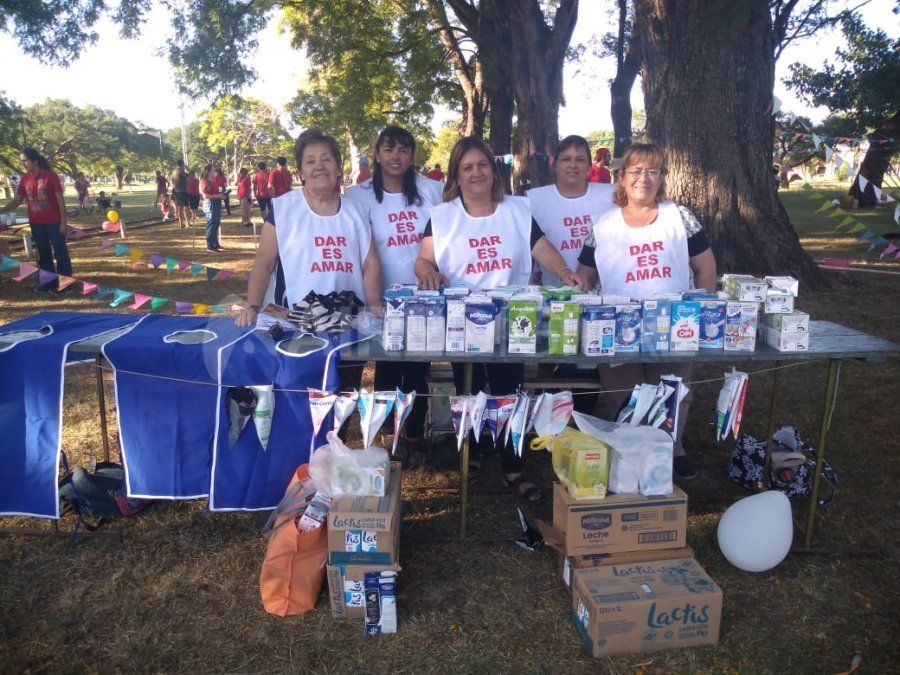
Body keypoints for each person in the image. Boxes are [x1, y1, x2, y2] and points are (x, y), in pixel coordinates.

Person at [415, 136, 586, 502]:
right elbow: (423, 259)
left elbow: (542, 249)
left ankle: (512, 463)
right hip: (463, 322)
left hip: (512, 321)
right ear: (457, 176)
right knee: (468, 389)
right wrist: (427, 271)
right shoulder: (443, 216)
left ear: (494, 171)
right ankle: (473, 453)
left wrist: (564, 271)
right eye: (467, 167)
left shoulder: (516, 210)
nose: (476, 172)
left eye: (482, 165)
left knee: (510, 392)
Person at [575, 143, 717, 480]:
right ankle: (629, 449)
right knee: (623, 395)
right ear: (621, 178)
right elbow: (584, 273)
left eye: (653, 171)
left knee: (672, 390)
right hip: (617, 327)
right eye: (636, 171)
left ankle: (672, 447)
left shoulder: (679, 217)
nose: (644, 178)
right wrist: (573, 287)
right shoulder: (604, 224)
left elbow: (706, 267)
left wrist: (700, 309)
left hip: (673, 322)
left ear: (663, 177)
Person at [345, 126, 443, 468]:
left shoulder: (432, 191)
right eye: (389, 148)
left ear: (412, 155)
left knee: (418, 370)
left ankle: (415, 432)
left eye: (403, 149)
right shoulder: (358, 197)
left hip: (424, 299)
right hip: (380, 299)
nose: (396, 155)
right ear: (377, 153)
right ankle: (390, 434)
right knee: (386, 369)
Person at [235, 128, 382, 330]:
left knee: (345, 362)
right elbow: (263, 264)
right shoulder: (282, 209)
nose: (319, 167)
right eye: (310, 161)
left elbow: (370, 264)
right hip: (293, 320)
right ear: (301, 171)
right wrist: (252, 306)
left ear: (339, 167)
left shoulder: (357, 212)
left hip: (348, 321)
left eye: (326, 160)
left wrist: (373, 305)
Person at [0, 147, 72, 293]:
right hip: (36, 222)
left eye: (25, 160)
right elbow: (17, 200)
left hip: (54, 221)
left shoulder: (50, 176)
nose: (23, 164)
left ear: (35, 161)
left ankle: (65, 285)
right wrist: (1, 210)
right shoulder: (25, 179)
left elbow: (60, 200)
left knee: (60, 252)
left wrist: (63, 221)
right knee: (43, 253)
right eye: (22, 161)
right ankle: (48, 284)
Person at [200, 164, 224, 252]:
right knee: (211, 225)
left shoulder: (212, 181)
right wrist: (217, 196)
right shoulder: (205, 181)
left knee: (216, 224)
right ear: (209, 171)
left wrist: (221, 195)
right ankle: (210, 246)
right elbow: (205, 195)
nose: (215, 171)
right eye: (213, 170)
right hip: (210, 205)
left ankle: (215, 244)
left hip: (216, 204)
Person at [169, 163, 190, 229]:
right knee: (186, 207)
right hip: (182, 191)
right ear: (182, 166)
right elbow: (189, 176)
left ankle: (181, 223)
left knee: (180, 207)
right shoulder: (181, 173)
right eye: (184, 166)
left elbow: (172, 180)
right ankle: (187, 222)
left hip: (176, 191)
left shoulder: (174, 173)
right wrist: (188, 169)